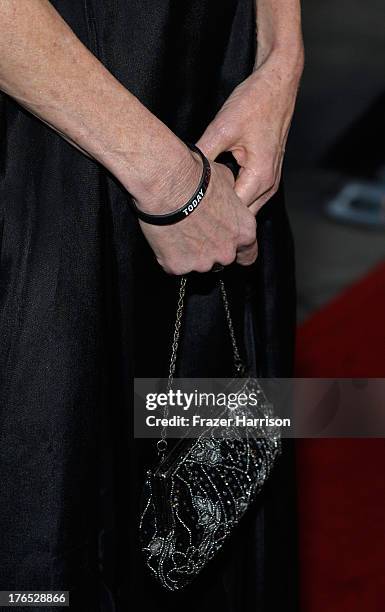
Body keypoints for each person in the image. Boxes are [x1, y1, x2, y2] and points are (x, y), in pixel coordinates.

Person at [0, 1, 303, 610]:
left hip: (216, 100)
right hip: (48, 144)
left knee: (206, 496)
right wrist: (170, 184)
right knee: (49, 526)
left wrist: (280, 57)